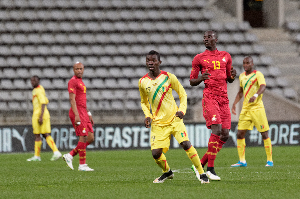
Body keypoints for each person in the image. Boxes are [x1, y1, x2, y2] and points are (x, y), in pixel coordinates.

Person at [139, 50, 209, 184]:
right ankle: (167, 172)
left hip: (174, 119)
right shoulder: (142, 82)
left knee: (186, 144)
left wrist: (182, 110)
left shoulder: (169, 77)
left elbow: (182, 94)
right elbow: (144, 101)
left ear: (159, 62)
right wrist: (147, 115)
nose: (150, 63)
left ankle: (201, 172)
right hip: (158, 123)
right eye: (148, 60)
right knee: (156, 154)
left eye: (153, 60)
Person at [189, 30, 237, 181]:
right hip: (210, 97)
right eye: (204, 37)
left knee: (225, 134)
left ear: (216, 39)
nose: (206, 39)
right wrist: (200, 78)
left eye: (209, 37)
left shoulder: (226, 56)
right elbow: (192, 81)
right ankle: (210, 169)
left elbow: (229, 79)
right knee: (216, 129)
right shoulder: (199, 58)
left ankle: (201, 164)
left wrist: (233, 76)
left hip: (224, 99)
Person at [231, 56, 273, 167]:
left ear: (252, 64)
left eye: (248, 63)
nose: (245, 65)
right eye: (244, 63)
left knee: (264, 133)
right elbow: (241, 92)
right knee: (240, 133)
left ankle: (269, 160)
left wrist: (255, 95)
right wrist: (234, 103)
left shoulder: (258, 74)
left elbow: (263, 86)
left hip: (257, 108)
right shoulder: (241, 76)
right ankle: (242, 161)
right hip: (246, 108)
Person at [63, 62, 95, 171]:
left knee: (90, 138)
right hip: (77, 112)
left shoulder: (80, 82)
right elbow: (72, 99)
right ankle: (82, 165)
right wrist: (77, 115)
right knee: (83, 136)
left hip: (84, 112)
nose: (79, 71)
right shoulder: (72, 81)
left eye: (81, 69)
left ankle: (70, 155)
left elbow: (82, 100)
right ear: (73, 70)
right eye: (77, 69)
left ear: (83, 69)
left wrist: (88, 113)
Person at [27, 75, 62, 161]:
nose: (32, 82)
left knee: (45, 134)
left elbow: (43, 103)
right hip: (37, 114)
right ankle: (37, 156)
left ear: (38, 81)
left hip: (40, 115)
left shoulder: (38, 90)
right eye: (31, 81)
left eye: (34, 81)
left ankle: (56, 152)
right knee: (38, 135)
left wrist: (41, 116)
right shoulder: (37, 89)